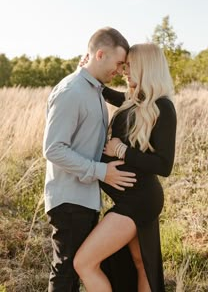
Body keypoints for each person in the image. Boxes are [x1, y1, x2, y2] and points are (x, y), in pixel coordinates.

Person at [73, 43, 177, 292]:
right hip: (131, 198)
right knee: (141, 264)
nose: (124, 71)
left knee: (84, 263)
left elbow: (164, 165)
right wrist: (88, 73)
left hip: (139, 200)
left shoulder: (163, 107)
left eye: (129, 66)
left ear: (145, 68)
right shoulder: (134, 102)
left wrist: (121, 150)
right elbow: (112, 95)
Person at [42, 27, 137, 292]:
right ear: (99, 54)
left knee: (73, 270)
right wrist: (101, 171)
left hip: (83, 197)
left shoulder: (93, 90)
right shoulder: (72, 91)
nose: (119, 71)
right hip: (70, 198)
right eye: (118, 64)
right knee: (65, 271)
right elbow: (53, 149)